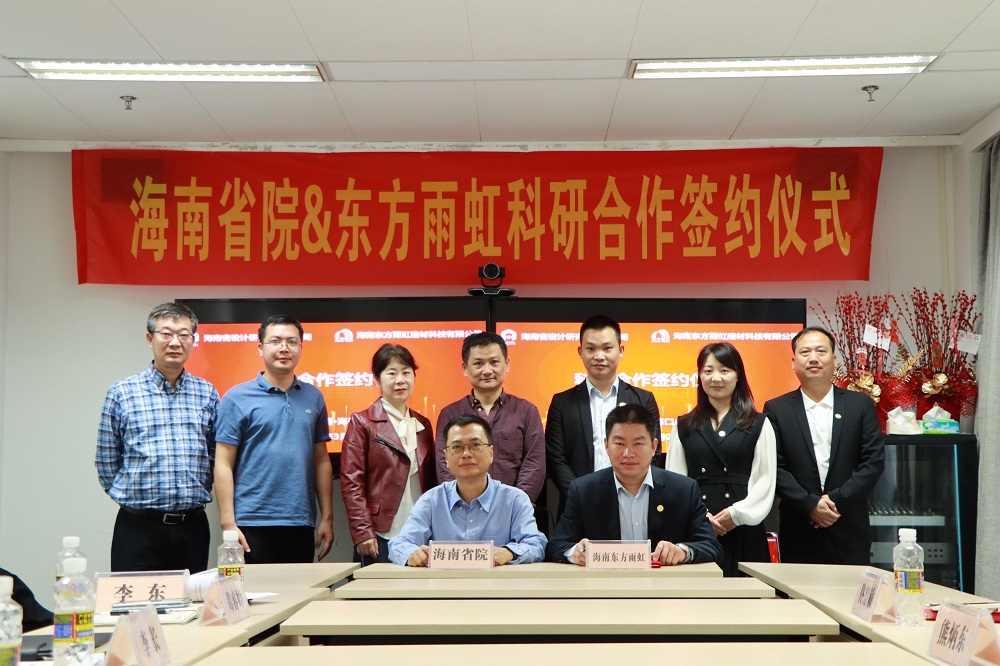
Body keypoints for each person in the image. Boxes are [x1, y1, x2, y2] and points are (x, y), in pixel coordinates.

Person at [96, 302, 219, 572]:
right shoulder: (122, 392)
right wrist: (131, 496)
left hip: (192, 527)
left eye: (184, 335)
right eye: (166, 334)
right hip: (138, 528)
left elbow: (214, 455)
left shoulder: (207, 393)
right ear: (150, 339)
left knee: (192, 598)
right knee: (134, 599)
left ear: (193, 340)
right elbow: (107, 460)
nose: (175, 342)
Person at [214, 315, 334, 564]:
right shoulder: (236, 398)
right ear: (260, 348)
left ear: (301, 347)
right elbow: (223, 463)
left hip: (300, 521)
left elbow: (321, 460)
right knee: (253, 589)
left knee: (300, 588)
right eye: (275, 341)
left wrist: (327, 517)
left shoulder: (314, 397)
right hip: (251, 522)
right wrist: (228, 523)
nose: (284, 348)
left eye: (292, 341)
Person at [764, 326, 885, 565]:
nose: (813, 358)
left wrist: (835, 501)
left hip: (848, 525)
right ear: (793, 362)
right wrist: (810, 504)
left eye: (821, 351)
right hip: (799, 528)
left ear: (834, 359)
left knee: (849, 589)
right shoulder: (776, 409)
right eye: (805, 352)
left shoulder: (860, 405)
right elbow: (774, 467)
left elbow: (873, 462)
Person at [546, 404, 722, 566]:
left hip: (663, 587)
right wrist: (574, 553)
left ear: (653, 446)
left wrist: (683, 552)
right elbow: (556, 545)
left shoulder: (683, 490)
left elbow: (711, 546)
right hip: (604, 586)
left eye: (638, 443)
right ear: (606, 445)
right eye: (619, 443)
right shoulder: (584, 491)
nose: (628, 453)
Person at [665, 342, 776, 577]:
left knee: (746, 595)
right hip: (698, 531)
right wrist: (701, 517)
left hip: (744, 527)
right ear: (699, 376)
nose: (716, 378)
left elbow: (765, 480)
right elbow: (675, 481)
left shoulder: (759, 423)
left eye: (724, 370)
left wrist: (737, 515)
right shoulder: (683, 425)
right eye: (708, 371)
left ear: (738, 375)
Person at [389, 414, 547, 566]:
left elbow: (536, 544)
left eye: (475, 445)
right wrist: (412, 553)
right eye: (457, 447)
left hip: (496, 584)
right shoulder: (431, 500)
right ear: (446, 457)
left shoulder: (515, 500)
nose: (466, 454)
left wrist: (509, 553)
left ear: (491, 453)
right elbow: (399, 544)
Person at [545, 315, 659, 516]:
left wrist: (629, 492)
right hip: (578, 508)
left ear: (620, 350)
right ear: (580, 352)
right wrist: (581, 497)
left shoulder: (643, 399)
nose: (599, 356)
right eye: (591, 349)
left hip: (634, 504)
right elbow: (556, 459)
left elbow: (652, 454)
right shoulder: (562, 402)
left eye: (607, 348)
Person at [341, 344, 436, 565]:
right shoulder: (362, 422)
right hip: (379, 534)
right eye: (391, 373)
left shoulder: (423, 424)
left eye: (406, 373)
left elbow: (432, 482)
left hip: (419, 532)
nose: (400, 380)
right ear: (377, 380)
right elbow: (352, 482)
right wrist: (362, 530)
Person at [435, 332, 545, 504]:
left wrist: (515, 505)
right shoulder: (449, 414)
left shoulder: (527, 412)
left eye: (494, 362)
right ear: (465, 368)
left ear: (507, 364)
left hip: (513, 510)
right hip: (463, 510)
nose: (487, 371)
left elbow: (534, 464)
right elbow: (445, 465)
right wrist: (463, 504)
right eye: (478, 363)